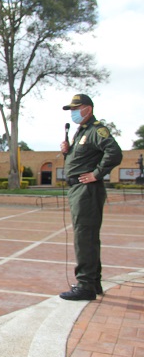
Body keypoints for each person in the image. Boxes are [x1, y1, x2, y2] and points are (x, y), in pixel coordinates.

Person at [59, 94, 122, 301]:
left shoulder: (96, 130)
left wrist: (96, 174)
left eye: (76, 108)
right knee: (88, 237)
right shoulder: (82, 132)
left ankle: (85, 285)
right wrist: (67, 152)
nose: (73, 112)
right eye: (71, 109)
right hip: (79, 190)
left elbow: (114, 153)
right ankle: (93, 282)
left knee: (84, 237)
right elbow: (82, 159)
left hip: (86, 190)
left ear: (88, 108)